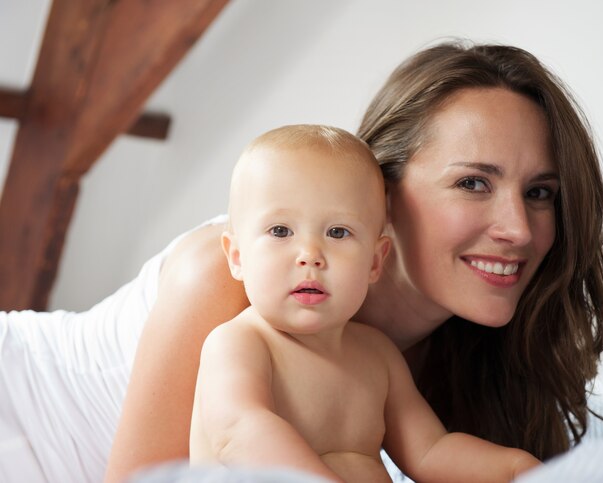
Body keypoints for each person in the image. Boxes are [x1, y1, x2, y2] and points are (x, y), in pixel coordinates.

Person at [0, 40, 603, 483]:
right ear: (385, 193)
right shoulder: (234, 280)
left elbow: (436, 455)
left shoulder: (433, 354)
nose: (518, 229)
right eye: (474, 184)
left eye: (540, 193)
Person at [189, 124, 541, 482]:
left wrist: (514, 468)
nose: (310, 255)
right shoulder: (240, 343)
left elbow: (430, 451)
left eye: (338, 232)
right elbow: (239, 433)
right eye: (281, 231)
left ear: (375, 261)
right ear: (236, 256)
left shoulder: (377, 356)